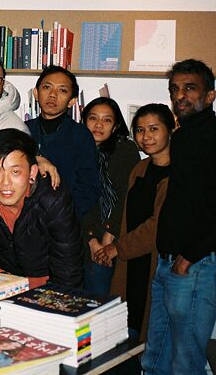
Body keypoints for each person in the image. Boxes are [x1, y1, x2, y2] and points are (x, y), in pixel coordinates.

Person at [141, 59, 216, 375]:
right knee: (155, 358)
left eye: (190, 88)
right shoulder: (182, 137)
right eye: (175, 89)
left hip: (198, 266)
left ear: (210, 95)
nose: (180, 96)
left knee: (185, 363)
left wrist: (187, 258)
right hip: (169, 264)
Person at [0, 128, 83, 289]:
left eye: (15, 172)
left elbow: (68, 267)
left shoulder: (53, 199)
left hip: (42, 279)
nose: (5, 183)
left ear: (32, 172)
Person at [94, 103, 174, 342]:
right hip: (132, 262)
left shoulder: (179, 173)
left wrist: (117, 248)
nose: (146, 136)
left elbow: (158, 225)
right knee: (129, 327)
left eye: (153, 129)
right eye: (140, 130)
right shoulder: (140, 168)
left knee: (154, 332)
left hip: (158, 261)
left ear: (171, 130)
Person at [81, 97, 141, 295]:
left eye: (107, 120)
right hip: (81, 234)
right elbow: (75, 196)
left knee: (100, 299)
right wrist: (91, 238)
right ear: (84, 121)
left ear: (115, 126)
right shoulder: (76, 150)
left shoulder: (125, 150)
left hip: (114, 236)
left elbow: (126, 195)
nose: (99, 125)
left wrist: (108, 236)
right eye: (93, 118)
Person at [25, 66, 100, 219]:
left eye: (62, 90)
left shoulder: (80, 135)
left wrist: (65, 216)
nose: (53, 95)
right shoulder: (23, 130)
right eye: (47, 87)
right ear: (36, 93)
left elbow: (89, 187)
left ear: (72, 101)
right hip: (24, 219)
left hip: (64, 220)